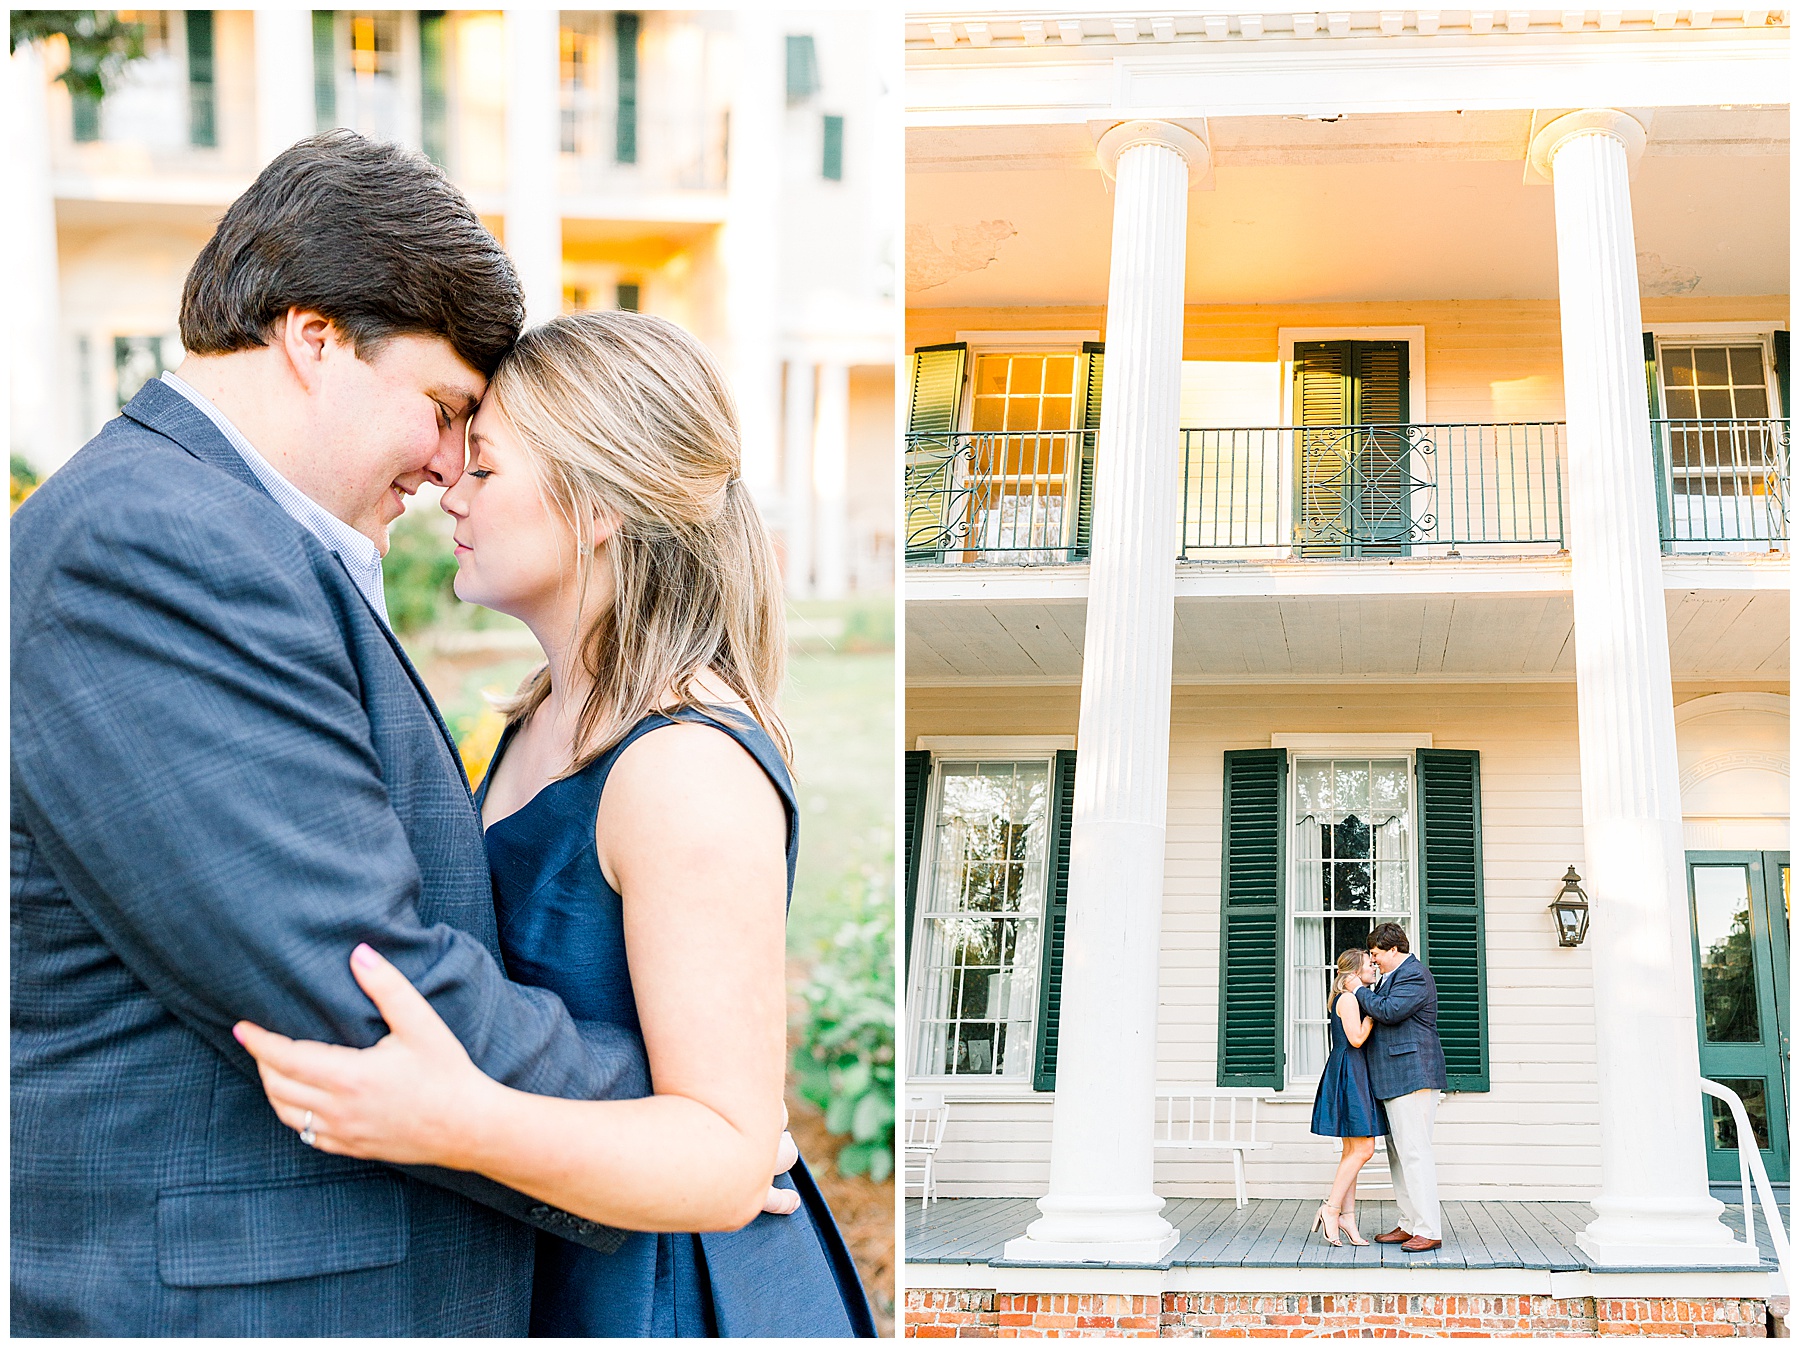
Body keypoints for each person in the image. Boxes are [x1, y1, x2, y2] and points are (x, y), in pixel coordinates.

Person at [11, 132, 795, 1338]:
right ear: (315, 339)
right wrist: (685, 1117)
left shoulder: (226, 537)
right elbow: (358, 979)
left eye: (480, 446)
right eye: (443, 412)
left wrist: (707, 1130)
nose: (445, 470)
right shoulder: (159, 544)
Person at [234, 309, 874, 1337]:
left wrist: (453, 1121)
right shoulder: (545, 713)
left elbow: (726, 1155)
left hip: (666, 1295)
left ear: (600, 505)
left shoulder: (684, 764)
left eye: (485, 467)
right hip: (560, 1250)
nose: (451, 486)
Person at [1355, 922, 1449, 1253]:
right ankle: (1409, 1224)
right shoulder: (1392, 977)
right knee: (1399, 1156)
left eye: (1376, 953)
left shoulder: (1415, 975)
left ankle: (1429, 1229)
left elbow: (1390, 1011)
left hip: (1414, 1075)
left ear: (1394, 949)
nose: (1374, 960)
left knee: (1415, 1154)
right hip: (1394, 1078)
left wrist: (1357, 989)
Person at [1308, 948, 1384, 1246]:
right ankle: (1330, 1208)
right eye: (1368, 964)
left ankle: (1347, 1217)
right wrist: (1373, 1018)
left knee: (1351, 1150)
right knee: (1364, 1148)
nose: (1373, 967)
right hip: (1350, 1071)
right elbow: (1356, 1038)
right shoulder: (1350, 999)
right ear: (1353, 972)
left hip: (1350, 1070)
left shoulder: (1345, 998)